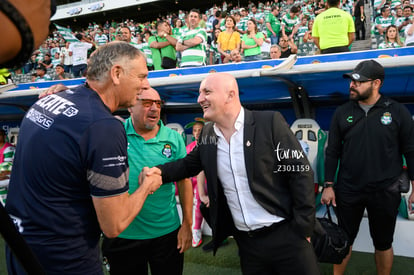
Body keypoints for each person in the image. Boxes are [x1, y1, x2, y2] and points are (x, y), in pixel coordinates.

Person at [5, 42, 162, 275]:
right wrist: (148, 185)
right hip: (64, 257)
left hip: (21, 245)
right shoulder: (103, 127)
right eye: (141, 76)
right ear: (116, 73)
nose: (145, 85)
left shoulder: (49, 100)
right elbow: (113, 225)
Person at [147, 72, 319, 275]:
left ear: (230, 95)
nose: (199, 98)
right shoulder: (209, 134)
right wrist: (157, 172)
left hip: (287, 235)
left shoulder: (269, 123)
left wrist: (303, 228)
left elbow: (300, 173)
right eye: (200, 93)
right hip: (247, 244)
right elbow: (187, 165)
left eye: (207, 92)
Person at [321, 59, 414, 275]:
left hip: (385, 190)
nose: (351, 85)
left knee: (383, 243)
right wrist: (328, 185)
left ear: (376, 83)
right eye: (351, 81)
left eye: (358, 82)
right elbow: (332, 151)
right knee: (343, 240)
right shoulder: (342, 112)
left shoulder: (397, 112)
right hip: (348, 190)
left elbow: (410, 150)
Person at [102, 87, 192, 275]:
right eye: (147, 103)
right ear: (130, 107)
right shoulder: (114, 134)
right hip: (123, 233)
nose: (154, 109)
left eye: (158, 104)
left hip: (166, 233)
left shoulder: (174, 138)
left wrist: (187, 225)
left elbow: (184, 182)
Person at [184, 118, 206, 248]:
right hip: (189, 180)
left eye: (200, 130)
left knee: (198, 194)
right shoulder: (188, 147)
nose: (197, 133)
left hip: (202, 182)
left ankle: (196, 230)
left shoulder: (209, 147)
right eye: (195, 130)